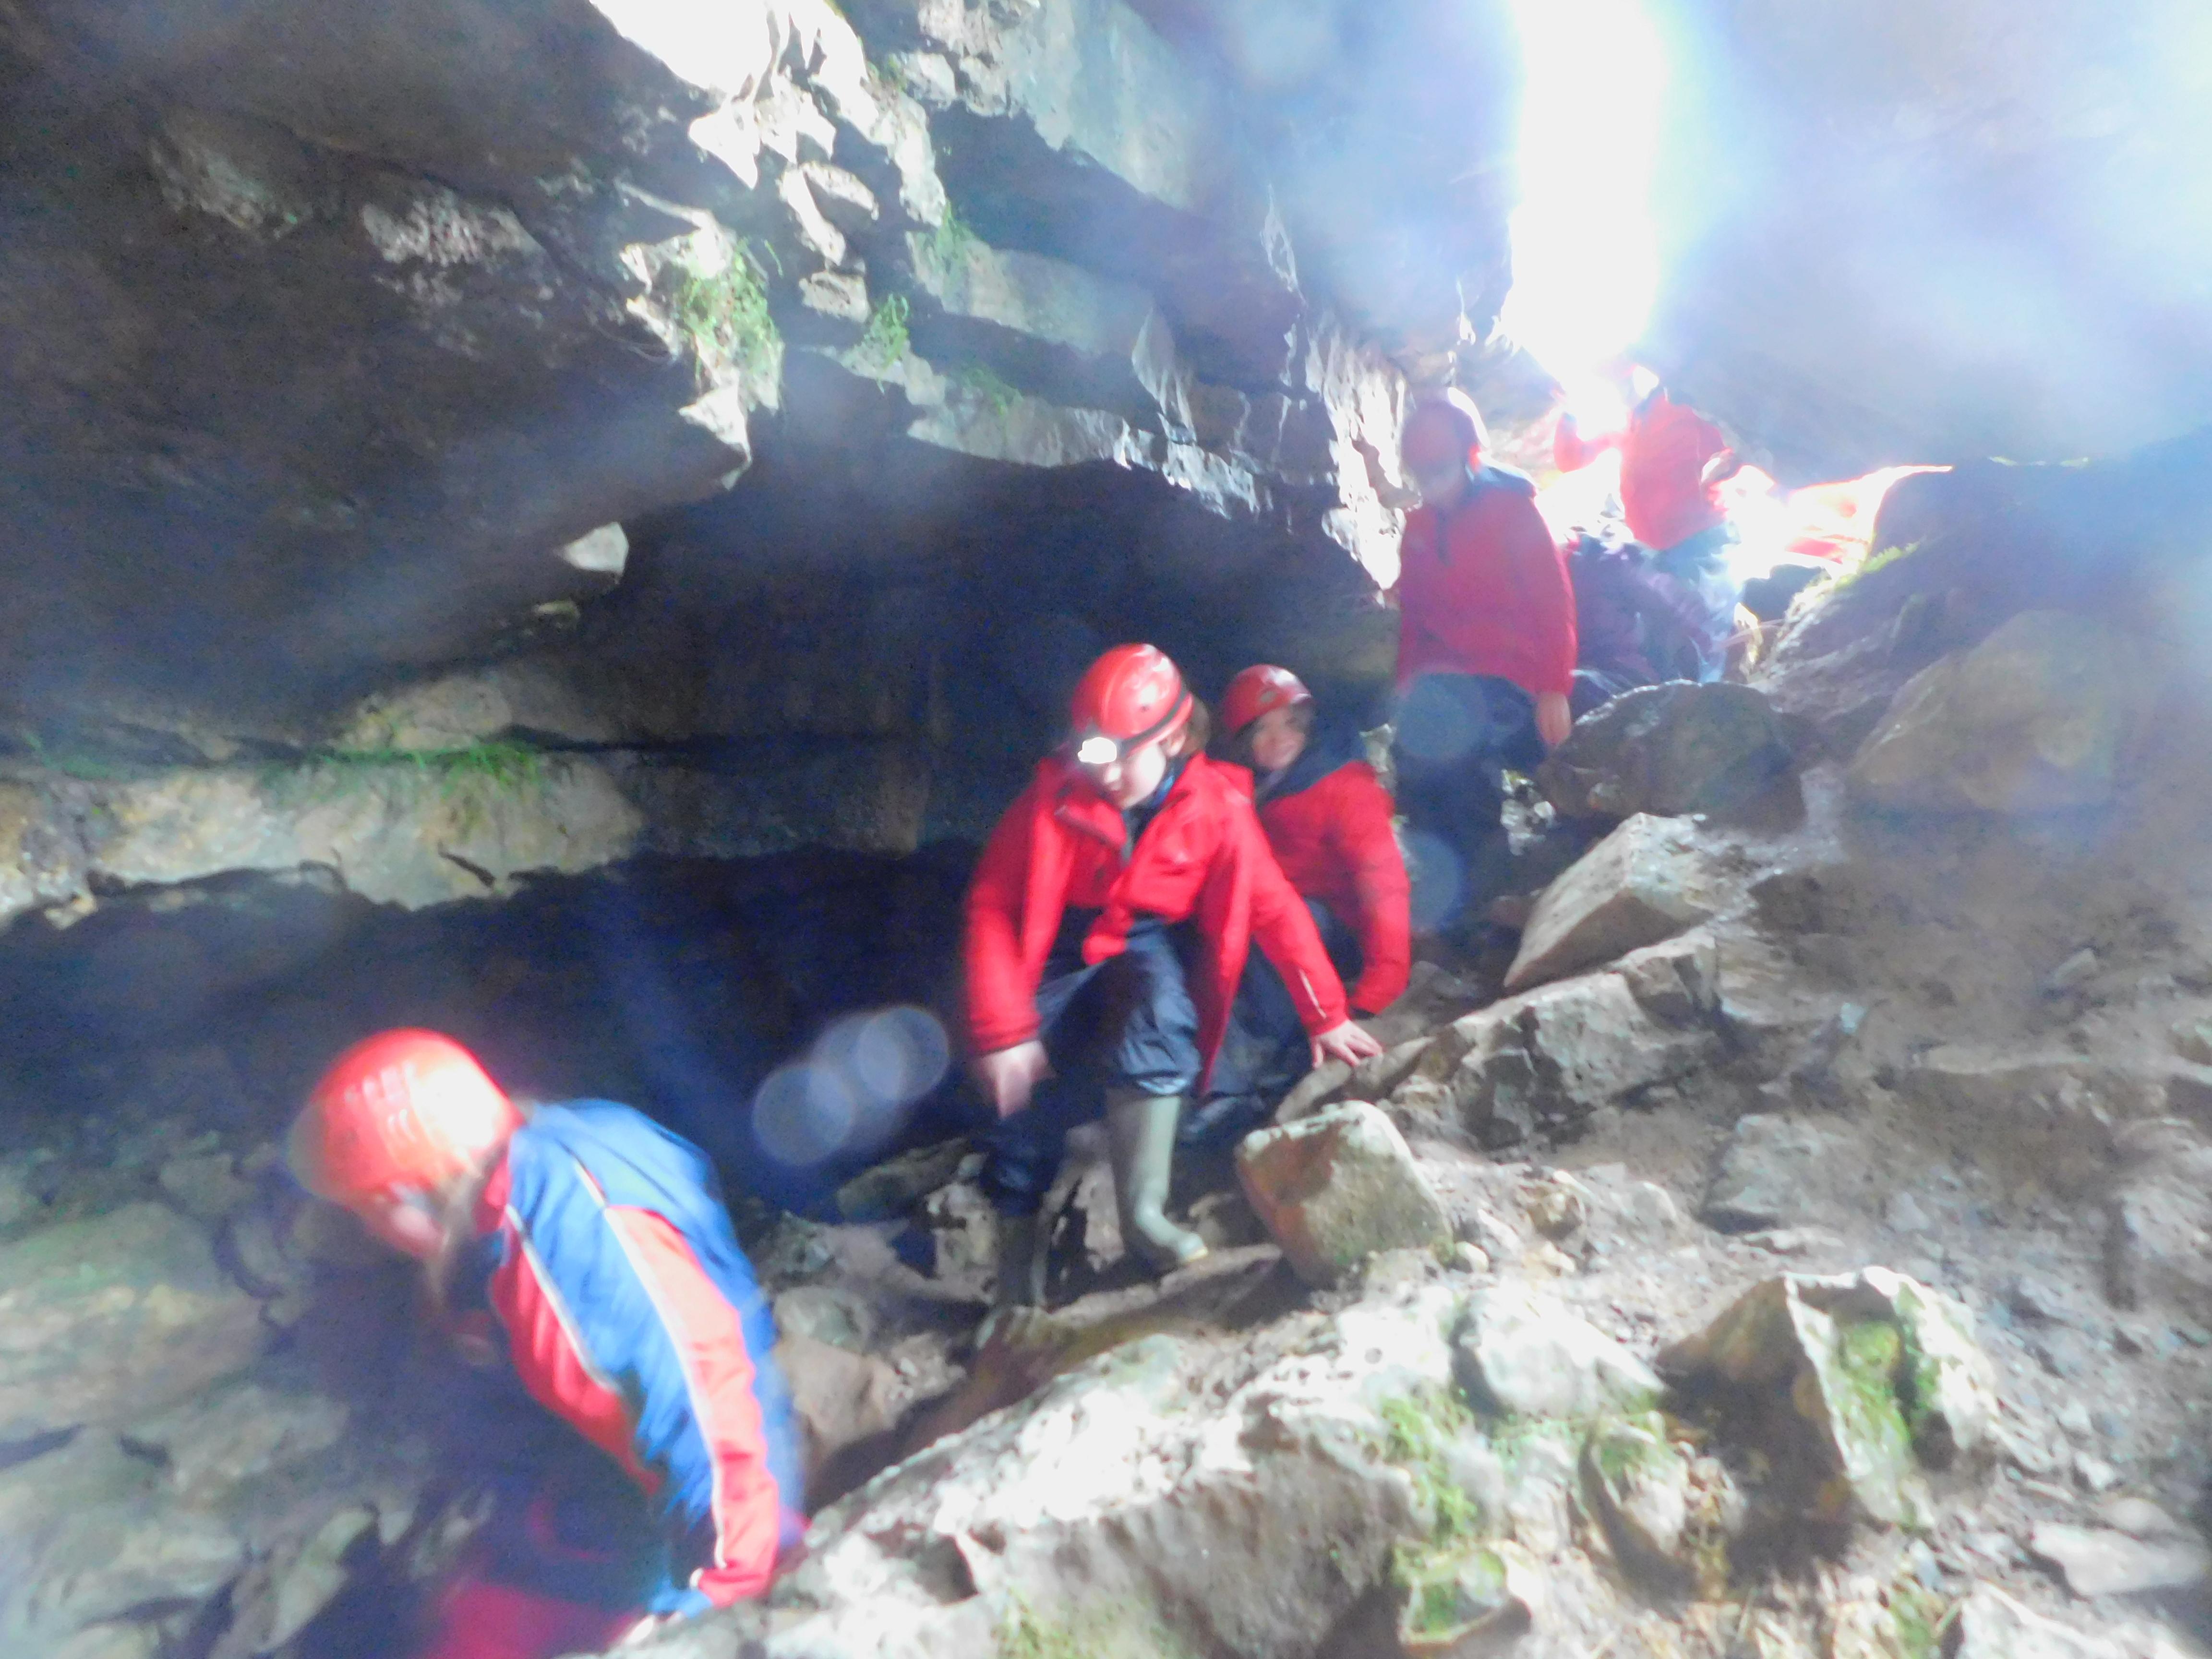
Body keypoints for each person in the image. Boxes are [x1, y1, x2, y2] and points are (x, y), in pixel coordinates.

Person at [286, 1030, 805, 1654]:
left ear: (407, 1192)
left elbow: (700, 1396)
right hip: (575, 1512)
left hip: (662, 1538)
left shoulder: (562, 1236)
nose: (371, 1233)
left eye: (367, 1211)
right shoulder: (553, 1146)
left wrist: (718, 1599)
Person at [964, 644, 1383, 1303]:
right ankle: (1017, 1265)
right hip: (1061, 943)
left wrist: (1325, 1014)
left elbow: (1273, 906)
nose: (1105, 774)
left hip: (1142, 937)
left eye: (1122, 755)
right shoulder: (1053, 800)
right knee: (1022, 1083)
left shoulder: (1215, 806)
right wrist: (1003, 1031)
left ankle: (1143, 1214)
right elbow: (991, 903)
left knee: (1158, 1013)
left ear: (1175, 737)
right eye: (1093, 753)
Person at [1185, 665, 1411, 1146]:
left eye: (1291, 723)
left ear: (1309, 722)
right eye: (1261, 730)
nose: (1279, 739)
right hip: (1279, 914)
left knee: (1270, 944)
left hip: (1336, 927)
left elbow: (1384, 886)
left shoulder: (1344, 787)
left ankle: (1231, 1086)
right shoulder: (1258, 783)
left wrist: (1382, 983)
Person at [1391, 389, 1577, 931]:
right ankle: (1439, 896)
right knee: (1416, 757)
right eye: (1421, 474)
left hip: (1512, 676)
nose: (1430, 484)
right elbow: (1416, 617)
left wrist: (1554, 688)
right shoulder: (1421, 526)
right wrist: (1406, 688)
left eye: (1439, 471)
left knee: (1460, 756)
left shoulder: (1514, 511)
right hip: (1452, 679)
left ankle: (1482, 895)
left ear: (1472, 457)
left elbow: (1554, 603)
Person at [1552, 365, 1742, 680]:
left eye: (1624, 376)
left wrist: (1731, 466)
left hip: (1700, 540)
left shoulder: (1682, 402)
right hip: (1652, 548)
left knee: (1700, 639)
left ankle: (1707, 698)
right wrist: (1570, 414)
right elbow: (1572, 459)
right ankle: (1667, 698)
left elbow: (1739, 438)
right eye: (1613, 380)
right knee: (1661, 641)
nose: (1620, 386)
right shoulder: (1627, 419)